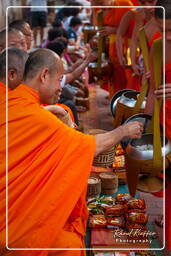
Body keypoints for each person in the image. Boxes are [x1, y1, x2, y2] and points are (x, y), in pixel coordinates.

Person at [0, 48, 143, 254]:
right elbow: (87, 146)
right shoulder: (39, 118)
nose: (60, 87)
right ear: (44, 75)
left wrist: (47, 110)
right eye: (59, 80)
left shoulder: (11, 102)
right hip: (16, 228)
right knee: (69, 246)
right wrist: (124, 130)